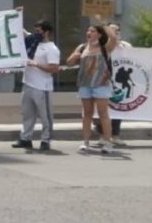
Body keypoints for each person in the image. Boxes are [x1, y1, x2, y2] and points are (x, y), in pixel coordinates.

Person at [67, 23, 119, 154]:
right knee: (86, 114)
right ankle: (85, 142)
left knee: (103, 114)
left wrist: (105, 25)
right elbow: (69, 62)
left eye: (93, 31)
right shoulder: (82, 47)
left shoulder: (104, 48)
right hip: (85, 84)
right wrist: (74, 57)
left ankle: (107, 143)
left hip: (101, 84)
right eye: (88, 30)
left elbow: (113, 40)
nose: (89, 33)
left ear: (99, 34)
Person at [12, 19, 60, 151]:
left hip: (42, 87)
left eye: (39, 31)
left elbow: (54, 68)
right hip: (28, 84)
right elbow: (22, 32)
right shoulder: (34, 42)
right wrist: (16, 16)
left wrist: (36, 64)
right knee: (28, 114)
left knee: (45, 116)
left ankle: (46, 140)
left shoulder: (52, 49)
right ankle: (25, 138)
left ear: (46, 32)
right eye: (35, 31)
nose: (36, 33)